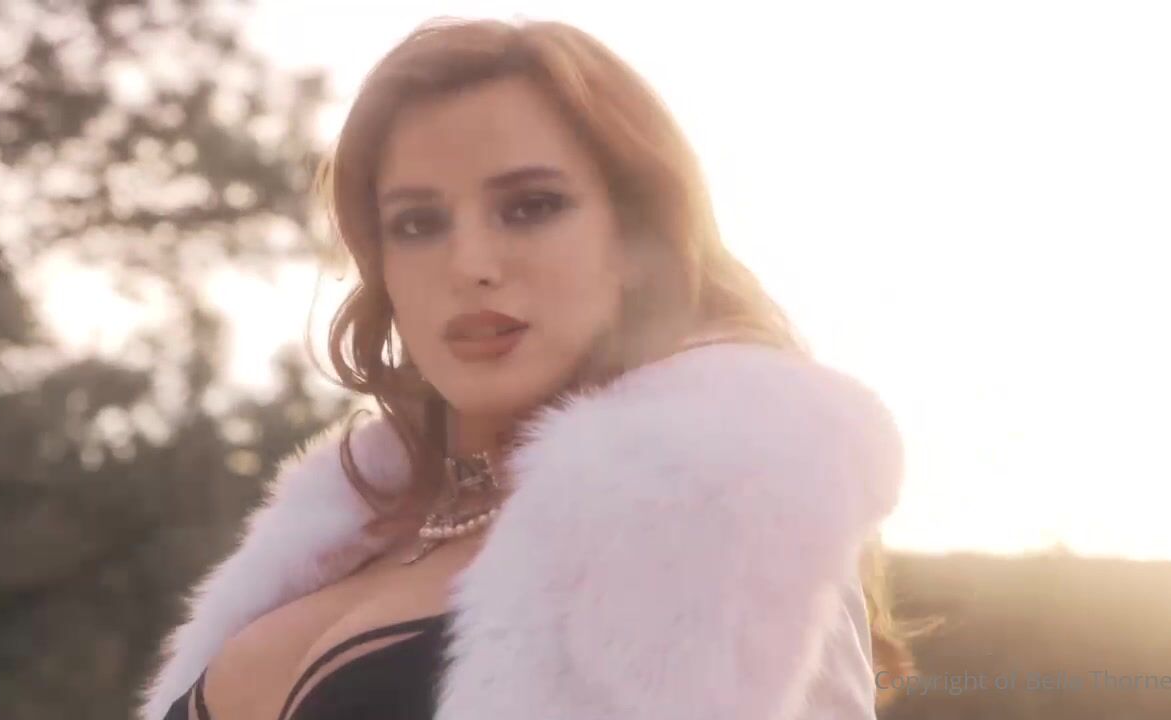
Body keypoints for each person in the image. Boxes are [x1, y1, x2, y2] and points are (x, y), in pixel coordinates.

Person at [139, 16, 911, 720]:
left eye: (531, 206)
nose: (470, 263)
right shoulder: (341, 532)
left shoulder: (719, 513)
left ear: (635, 238)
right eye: (417, 223)